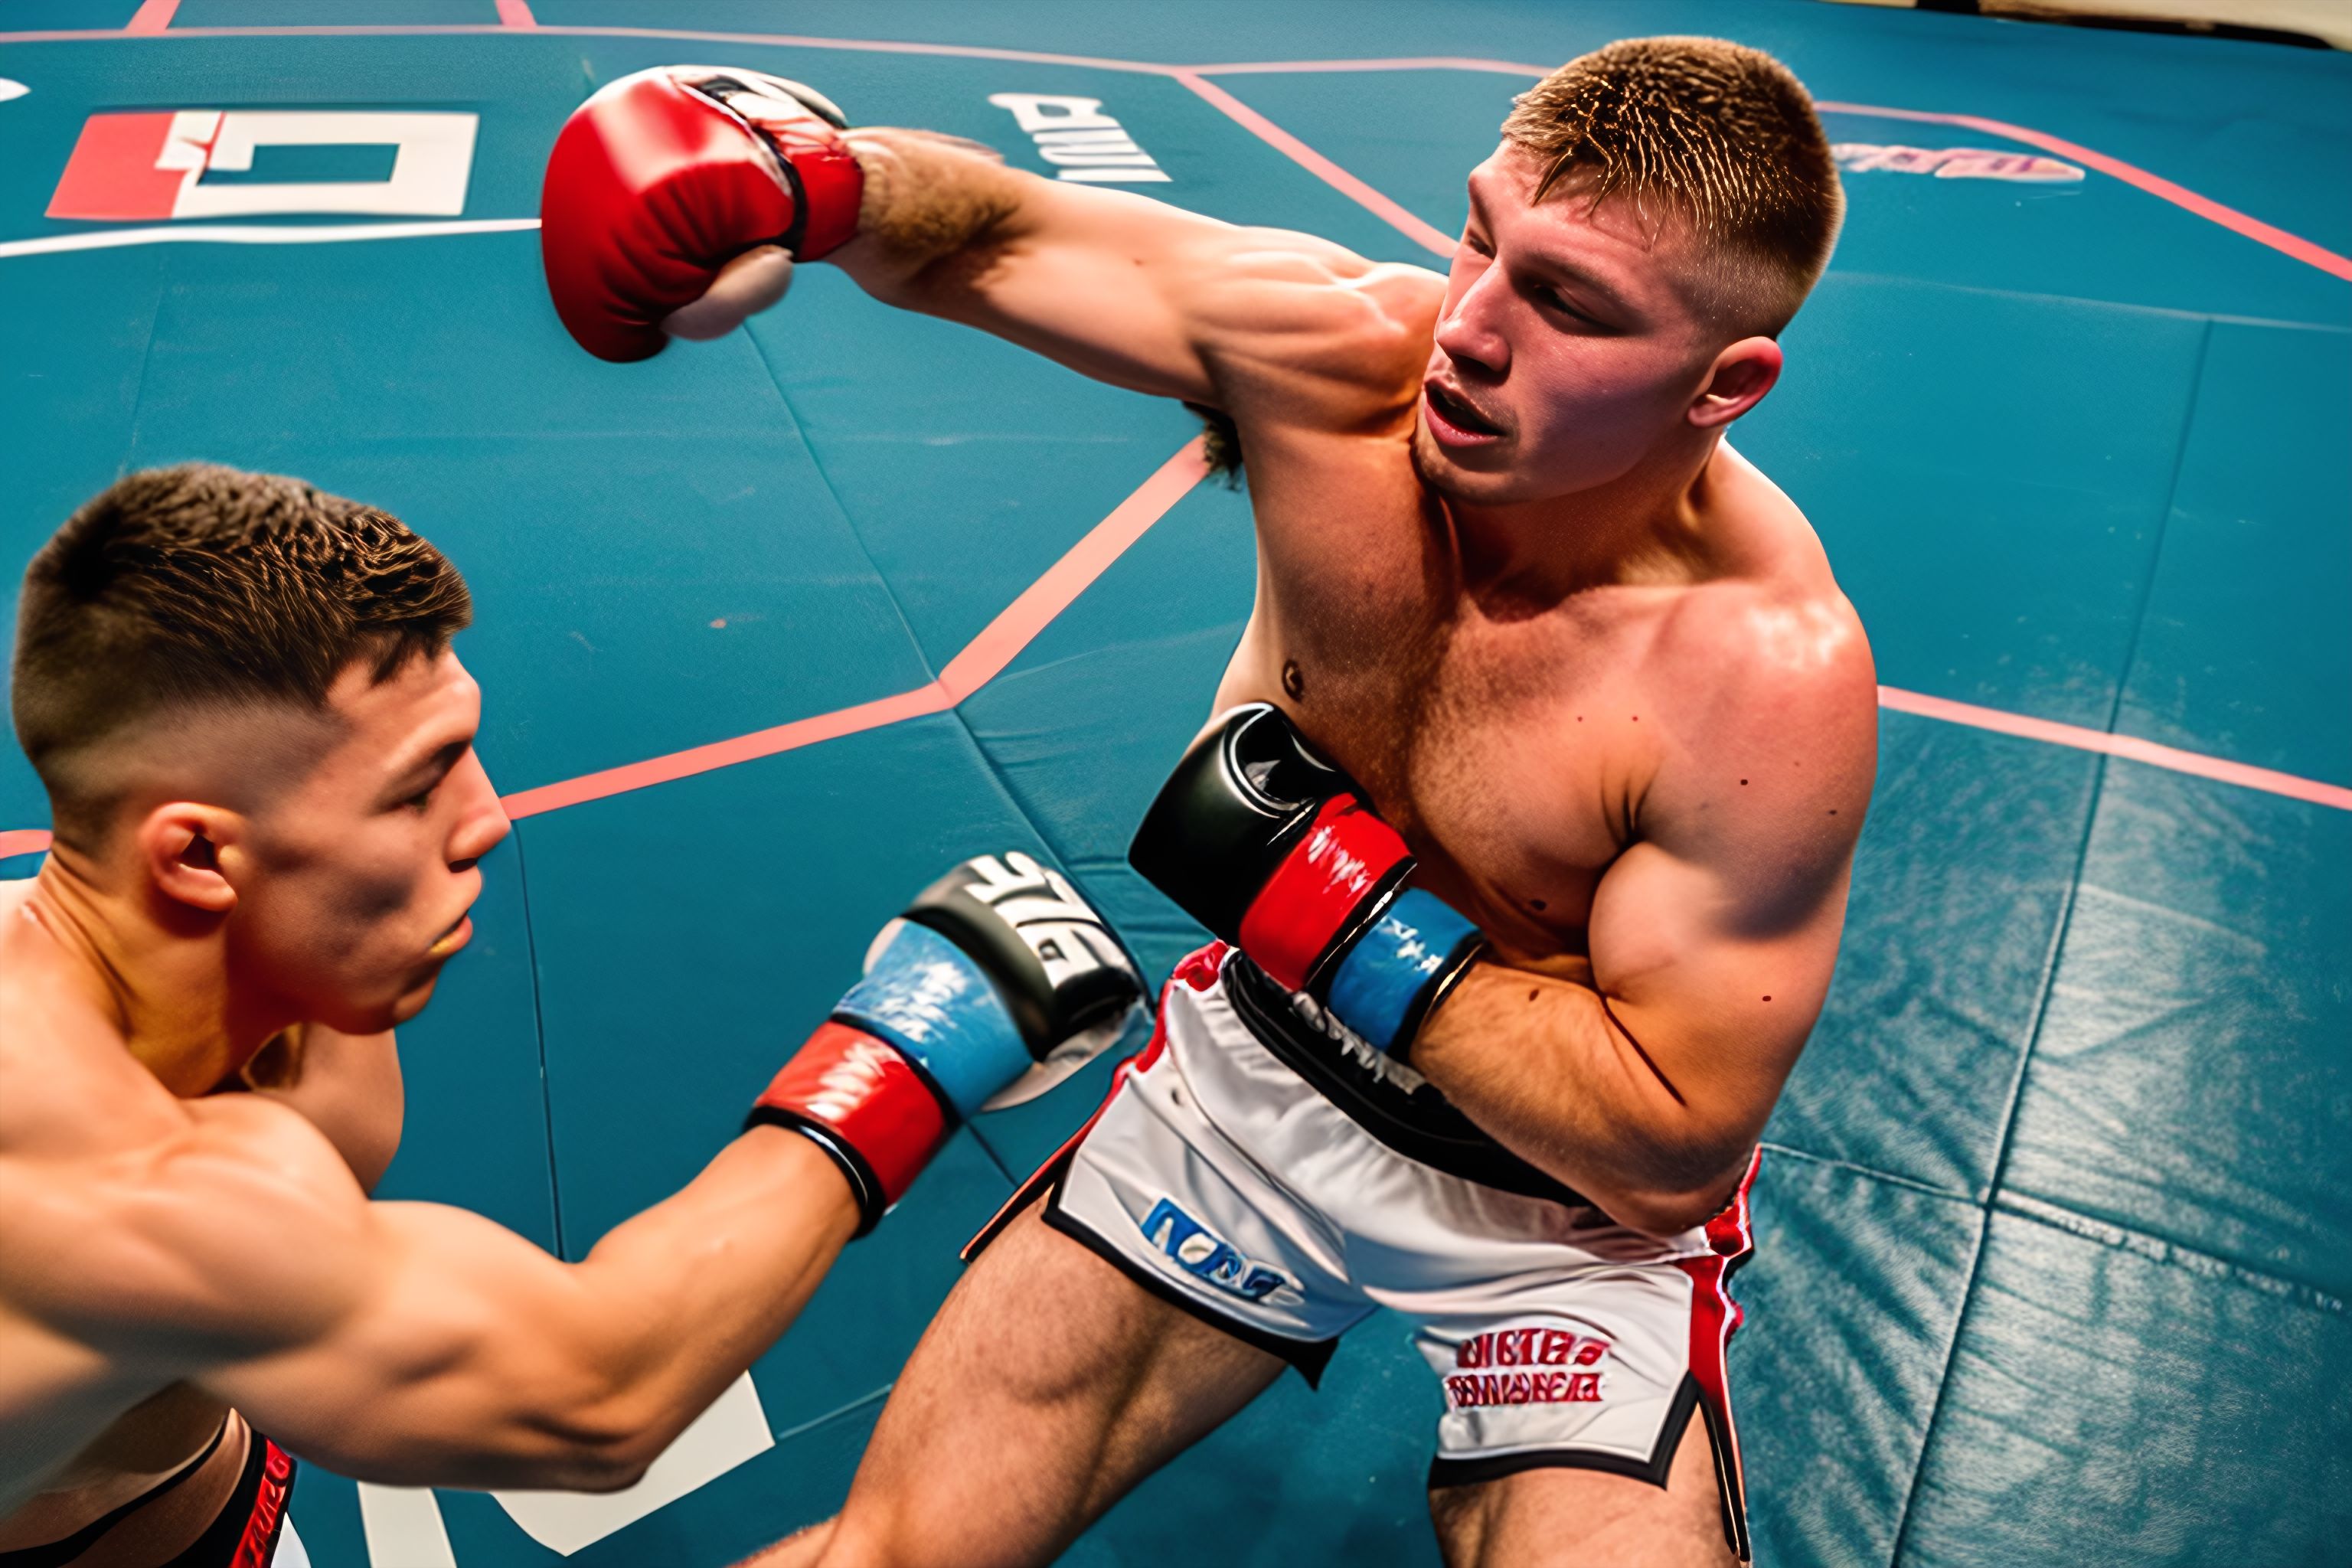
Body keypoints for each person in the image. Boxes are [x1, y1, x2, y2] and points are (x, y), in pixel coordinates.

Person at [539, 34, 1877, 1566]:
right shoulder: (1349, 363)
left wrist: (1332, 906)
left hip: (1554, 1220)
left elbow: (1667, 1147)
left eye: (1568, 304)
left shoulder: (1761, 679)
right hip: (1259, 1091)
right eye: (1480, 238)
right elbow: (1008, 234)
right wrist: (818, 182)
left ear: (1726, 383)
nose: (1470, 328)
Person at [0, 463, 1139, 1567]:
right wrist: (914, 1037)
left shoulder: (296, 982)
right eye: (419, 786)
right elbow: (599, 1393)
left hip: (198, 1499)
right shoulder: (114, 1188)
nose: (489, 818)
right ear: (199, 855)